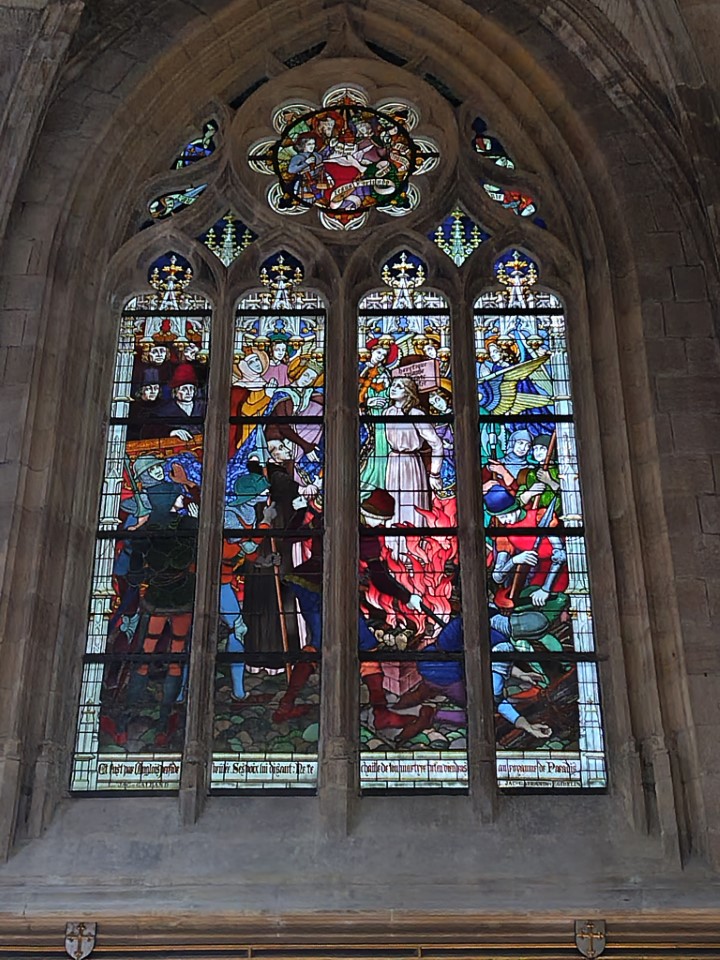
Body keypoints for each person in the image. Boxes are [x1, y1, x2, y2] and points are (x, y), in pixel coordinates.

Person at [384, 377, 443, 528]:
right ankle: (394, 543)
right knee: (393, 505)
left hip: (411, 464)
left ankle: (414, 539)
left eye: (399, 386)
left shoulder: (416, 414)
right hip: (393, 463)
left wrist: (435, 474)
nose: (393, 388)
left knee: (411, 504)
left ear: (408, 392)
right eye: (393, 384)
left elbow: (436, 443)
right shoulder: (387, 412)